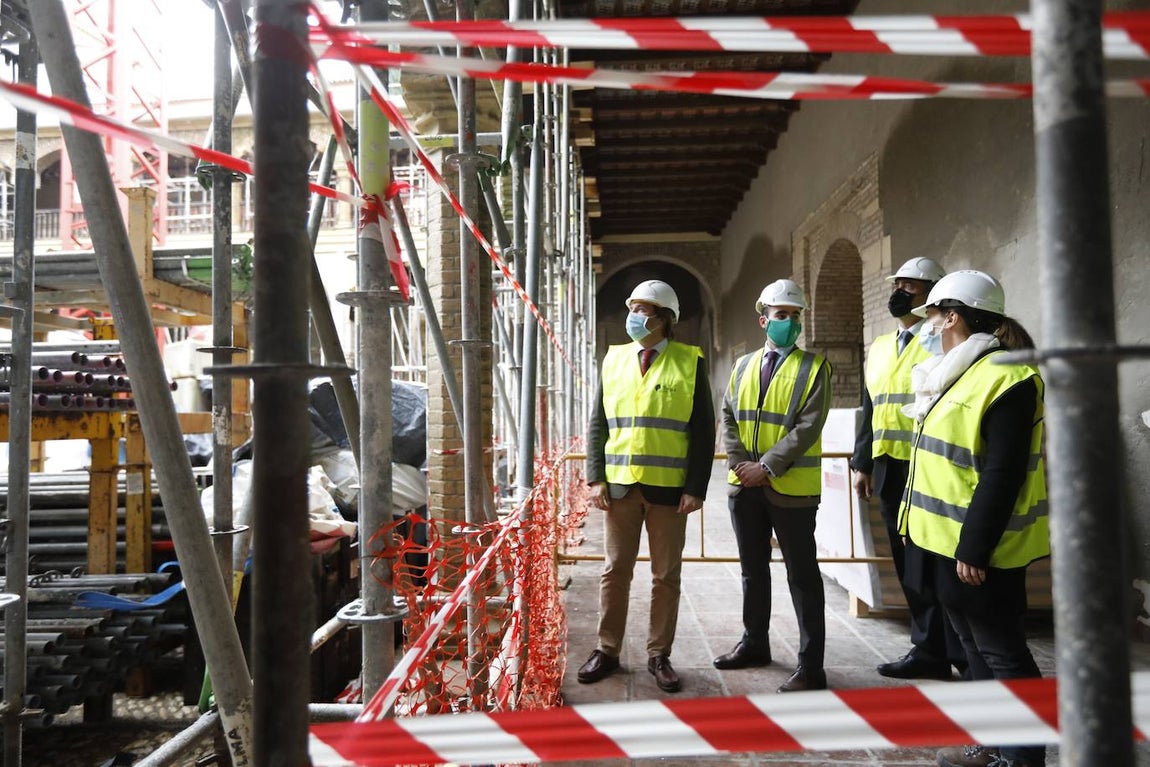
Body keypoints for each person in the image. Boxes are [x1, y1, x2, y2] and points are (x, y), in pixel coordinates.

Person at [897, 270, 1048, 767]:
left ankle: (1023, 758)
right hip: (940, 538)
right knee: (973, 648)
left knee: (1003, 653)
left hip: (979, 547)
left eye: (933, 315)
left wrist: (974, 547)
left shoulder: (1007, 376)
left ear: (954, 316)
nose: (928, 325)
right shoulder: (955, 371)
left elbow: (1002, 472)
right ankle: (988, 741)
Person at [578, 279, 716, 693]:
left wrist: (696, 487)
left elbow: (703, 430)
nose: (634, 317)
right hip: (620, 486)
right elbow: (598, 421)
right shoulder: (614, 359)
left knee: (665, 575)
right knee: (614, 571)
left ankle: (659, 654)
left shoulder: (689, 362)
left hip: (669, 490)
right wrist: (595, 475)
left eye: (643, 310)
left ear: (665, 319)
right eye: (632, 308)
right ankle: (607, 649)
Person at [850, 257, 967, 680]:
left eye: (911, 286)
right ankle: (929, 649)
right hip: (889, 467)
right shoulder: (880, 346)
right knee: (907, 561)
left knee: (939, 559)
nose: (900, 292)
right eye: (897, 284)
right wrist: (862, 462)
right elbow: (870, 407)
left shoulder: (941, 341)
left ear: (932, 294)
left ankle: (961, 650)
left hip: (932, 464)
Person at [713, 279, 832, 693]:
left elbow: (808, 427)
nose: (791, 323)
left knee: (803, 576)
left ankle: (811, 666)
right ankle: (754, 643)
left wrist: (765, 466)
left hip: (791, 490)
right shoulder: (743, 365)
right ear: (764, 320)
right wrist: (741, 464)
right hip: (744, 487)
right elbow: (727, 416)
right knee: (752, 572)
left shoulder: (815, 367)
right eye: (783, 316)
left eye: (796, 316)